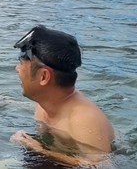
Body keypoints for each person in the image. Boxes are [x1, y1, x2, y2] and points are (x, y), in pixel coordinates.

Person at [11, 25, 115, 165]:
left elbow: (101, 166)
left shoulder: (84, 120)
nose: (17, 69)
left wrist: (42, 151)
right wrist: (6, 102)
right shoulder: (47, 102)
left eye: (21, 64)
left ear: (44, 76)